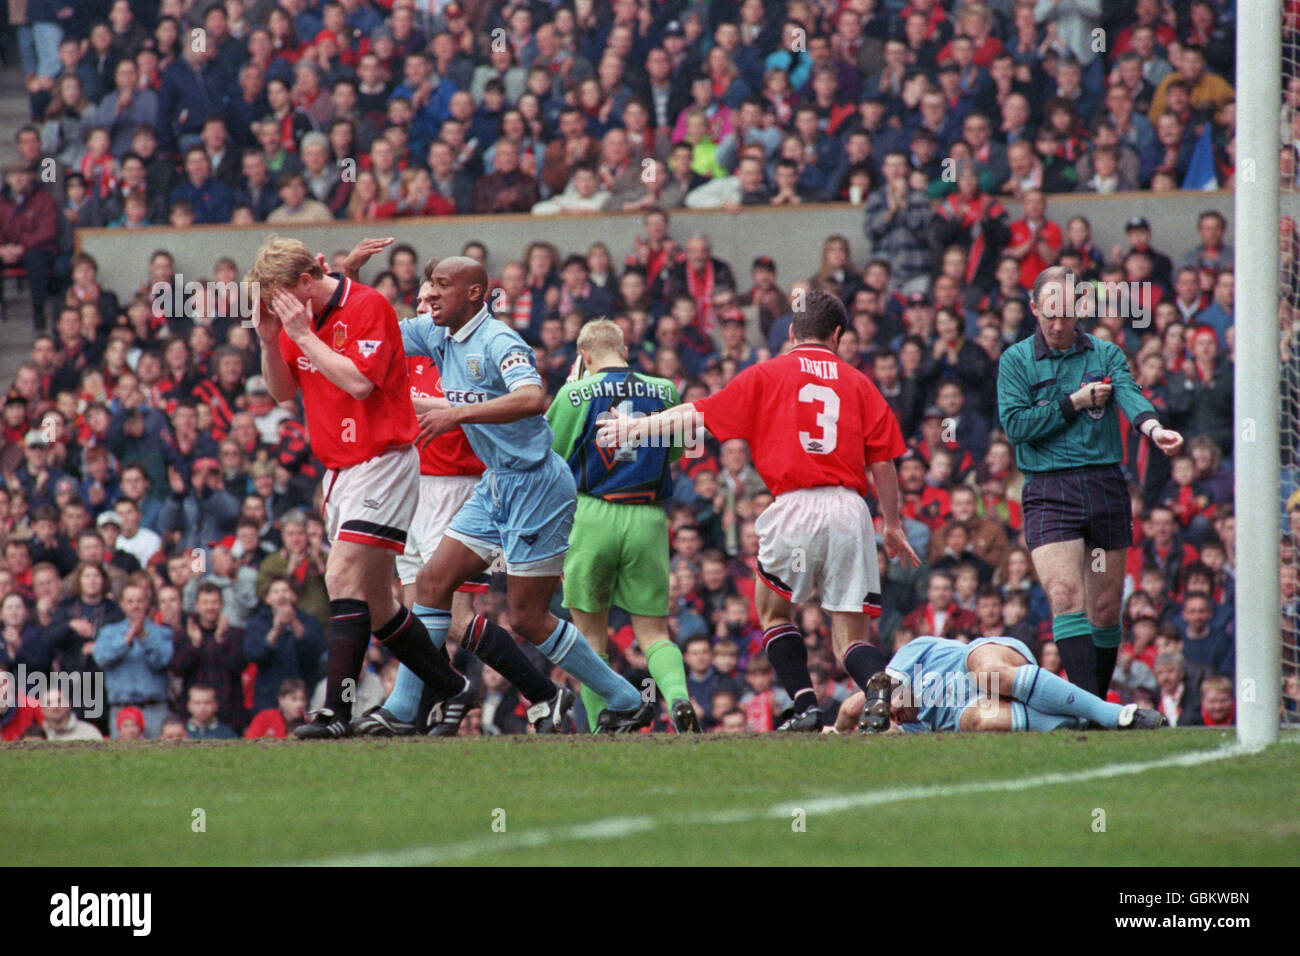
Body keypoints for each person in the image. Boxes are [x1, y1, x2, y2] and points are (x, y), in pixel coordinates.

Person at [601, 289, 921, 733]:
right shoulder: (860, 383)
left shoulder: (767, 374)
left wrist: (635, 427)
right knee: (850, 631)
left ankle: (806, 706)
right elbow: (882, 463)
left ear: (791, 332)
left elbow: (697, 414)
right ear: (838, 334)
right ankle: (875, 683)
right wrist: (892, 524)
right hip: (851, 510)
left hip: (794, 504)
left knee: (773, 612)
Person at [398, 256, 652, 732]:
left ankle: (625, 697)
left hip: (535, 483)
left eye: (443, 286)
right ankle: (398, 712)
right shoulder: (436, 334)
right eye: (429, 286)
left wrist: (455, 415)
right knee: (432, 585)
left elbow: (532, 398)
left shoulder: (498, 339)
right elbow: (379, 334)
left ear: (475, 294)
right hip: (496, 481)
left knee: (528, 619)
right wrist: (343, 282)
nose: (432, 294)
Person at [245, 237, 467, 738]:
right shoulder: (295, 320)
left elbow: (360, 383)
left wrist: (302, 336)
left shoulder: (366, 306)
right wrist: (267, 340)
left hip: (383, 460)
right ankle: (452, 687)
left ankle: (335, 712)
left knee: (340, 577)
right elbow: (281, 393)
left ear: (307, 280)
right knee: (379, 602)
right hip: (340, 471)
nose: (279, 307)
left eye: (281, 295)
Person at [335, 251, 561, 737]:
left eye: (433, 295)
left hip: (458, 489)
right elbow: (366, 350)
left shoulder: (460, 353)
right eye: (419, 298)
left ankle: (533, 689)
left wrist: (443, 408)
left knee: (451, 618)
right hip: (410, 490)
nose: (424, 305)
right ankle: (437, 704)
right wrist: (351, 280)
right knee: (415, 610)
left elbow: (485, 409)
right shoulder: (412, 349)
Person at [997, 266, 1184, 699]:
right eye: (1049, 313)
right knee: (1064, 595)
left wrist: (1154, 429)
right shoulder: (1016, 360)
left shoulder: (1105, 354)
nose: (1059, 324)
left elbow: (1130, 393)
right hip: (1049, 491)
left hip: (1103, 489)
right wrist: (1074, 403)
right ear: (1033, 309)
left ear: (1080, 307)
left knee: (1103, 608)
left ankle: (1095, 705)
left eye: (1066, 313)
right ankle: (1089, 708)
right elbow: (1017, 426)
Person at [546, 318, 698, 733]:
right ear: (625, 351)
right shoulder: (665, 389)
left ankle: (601, 726)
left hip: (591, 516)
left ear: (585, 356)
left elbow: (552, 458)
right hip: (648, 518)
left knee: (591, 637)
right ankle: (680, 699)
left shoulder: (575, 393)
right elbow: (674, 454)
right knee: (652, 631)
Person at [828, 634, 1165, 733]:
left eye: (891, 707)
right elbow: (871, 731)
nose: (894, 716)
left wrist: (844, 723)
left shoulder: (905, 660)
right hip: (971, 707)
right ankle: (1078, 722)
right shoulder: (913, 726)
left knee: (987, 672)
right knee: (980, 720)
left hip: (983, 658)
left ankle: (1111, 713)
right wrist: (842, 736)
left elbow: (856, 704)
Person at [92, 581, 173, 738]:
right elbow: (101, 659)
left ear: (147, 603)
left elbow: (163, 661)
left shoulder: (162, 632)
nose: (135, 606)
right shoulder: (109, 633)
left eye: (140, 601)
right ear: (122, 604)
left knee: (158, 757)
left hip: (154, 708)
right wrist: (127, 639)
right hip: (121, 708)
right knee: (121, 759)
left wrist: (144, 637)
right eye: (130, 601)